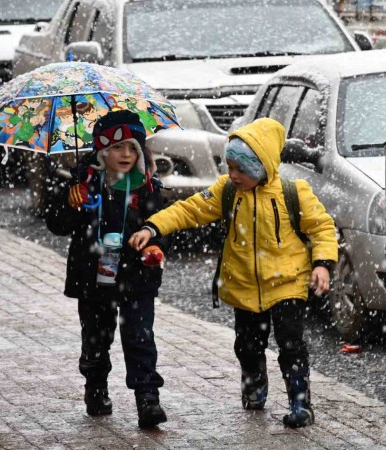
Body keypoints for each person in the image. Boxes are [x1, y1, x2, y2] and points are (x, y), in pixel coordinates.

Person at [128, 117, 338, 428]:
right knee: (247, 345)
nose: (233, 175)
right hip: (243, 286)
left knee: (291, 344)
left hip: (288, 284)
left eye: (241, 169)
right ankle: (254, 384)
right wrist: (153, 225)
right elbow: (191, 209)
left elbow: (322, 228)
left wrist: (322, 264)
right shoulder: (227, 191)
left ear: (262, 168)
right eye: (230, 167)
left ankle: (300, 401)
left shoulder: (293, 193)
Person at [45, 110, 169, 428]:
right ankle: (96, 385)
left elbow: (163, 227)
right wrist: (69, 203)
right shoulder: (84, 184)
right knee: (97, 338)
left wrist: (155, 246)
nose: (125, 155)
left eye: (132, 148)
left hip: (137, 276)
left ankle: (147, 397)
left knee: (140, 336)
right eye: (117, 147)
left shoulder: (148, 187)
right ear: (102, 151)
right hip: (94, 276)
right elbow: (57, 225)